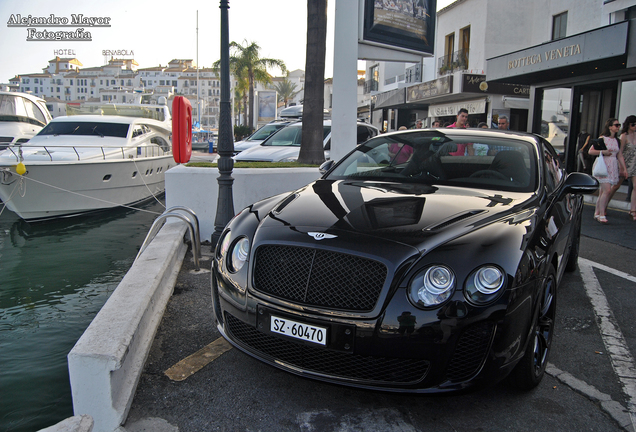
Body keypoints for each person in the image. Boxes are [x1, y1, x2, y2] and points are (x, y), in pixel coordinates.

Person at [588, 118, 628, 223]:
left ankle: (597, 213)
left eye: (619, 125)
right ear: (610, 127)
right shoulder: (603, 138)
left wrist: (623, 168)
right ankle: (601, 214)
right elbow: (591, 151)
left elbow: (619, 155)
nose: (618, 127)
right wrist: (603, 152)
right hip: (603, 166)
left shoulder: (617, 141)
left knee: (602, 192)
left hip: (613, 166)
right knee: (607, 191)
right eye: (616, 125)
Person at [620, 115, 636, 220]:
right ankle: (603, 205)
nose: (635, 126)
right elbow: (620, 153)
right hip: (625, 163)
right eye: (633, 124)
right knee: (615, 186)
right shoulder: (624, 136)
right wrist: (622, 168)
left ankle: (633, 210)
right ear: (628, 125)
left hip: (635, 163)